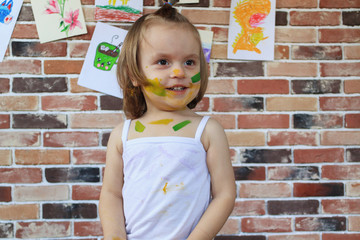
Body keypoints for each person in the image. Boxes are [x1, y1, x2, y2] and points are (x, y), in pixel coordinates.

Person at [99, 3, 236, 240]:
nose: (178, 72)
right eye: (163, 62)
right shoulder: (123, 135)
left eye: (189, 62)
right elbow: (111, 194)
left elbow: (225, 194)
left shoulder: (207, 131)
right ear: (134, 74)